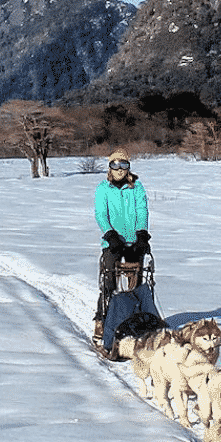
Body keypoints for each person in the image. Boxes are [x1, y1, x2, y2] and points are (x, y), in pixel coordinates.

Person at [93, 147, 151, 345]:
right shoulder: (103, 188)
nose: (119, 169)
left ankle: (138, 321)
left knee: (139, 283)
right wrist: (110, 234)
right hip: (113, 241)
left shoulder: (137, 187)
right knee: (109, 281)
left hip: (134, 241)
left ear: (128, 167)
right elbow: (101, 214)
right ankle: (102, 320)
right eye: (115, 164)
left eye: (123, 164)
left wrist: (142, 234)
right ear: (110, 167)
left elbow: (142, 210)